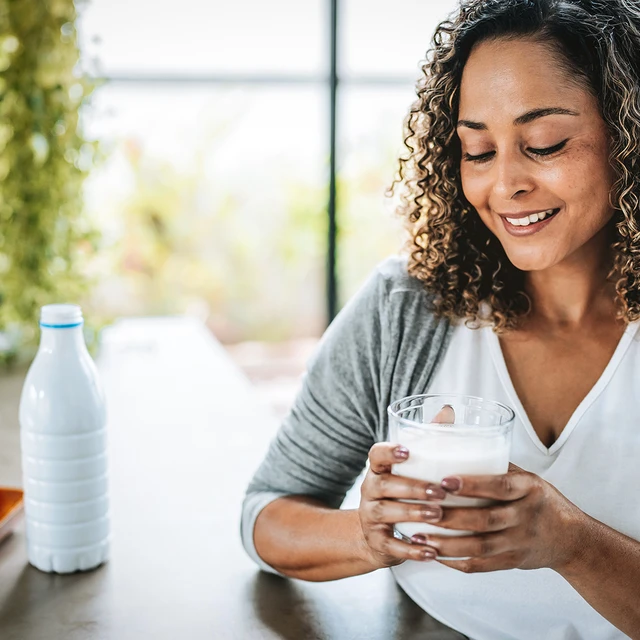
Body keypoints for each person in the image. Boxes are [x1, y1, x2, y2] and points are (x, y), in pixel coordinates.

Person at [241, 1, 640, 638]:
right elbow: (266, 517)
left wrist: (573, 544)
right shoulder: (406, 310)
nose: (504, 183)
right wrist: (370, 535)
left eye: (544, 144)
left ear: (630, 133)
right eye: (477, 150)